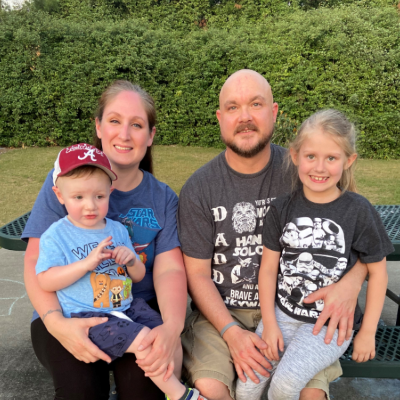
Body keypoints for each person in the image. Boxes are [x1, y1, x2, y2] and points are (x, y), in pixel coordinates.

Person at [177, 70, 369, 400]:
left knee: (308, 396)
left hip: (300, 310)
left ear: (274, 112)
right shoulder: (199, 188)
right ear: (220, 118)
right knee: (212, 390)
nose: (245, 117)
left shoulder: (305, 171)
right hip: (223, 313)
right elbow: (196, 274)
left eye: (256, 104)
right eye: (233, 107)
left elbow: (363, 236)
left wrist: (351, 284)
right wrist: (231, 332)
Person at [22, 81, 187, 400]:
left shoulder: (163, 198)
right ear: (98, 127)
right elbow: (34, 260)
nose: (124, 134)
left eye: (136, 125)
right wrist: (57, 324)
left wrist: (171, 328)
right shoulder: (67, 182)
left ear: (150, 135)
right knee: (80, 390)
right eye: (114, 121)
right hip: (66, 310)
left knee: (145, 389)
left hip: (133, 310)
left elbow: (170, 270)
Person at [235, 109, 393, 400]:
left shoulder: (358, 210)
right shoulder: (281, 208)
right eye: (311, 156)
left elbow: (378, 272)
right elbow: (268, 269)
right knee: (246, 387)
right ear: (295, 156)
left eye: (331, 158)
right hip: (282, 314)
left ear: (348, 161)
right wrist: (269, 324)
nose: (320, 167)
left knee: (284, 386)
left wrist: (368, 332)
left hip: (328, 325)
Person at [35, 144, 206, 400]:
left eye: (99, 196)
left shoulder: (116, 230)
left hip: (126, 306)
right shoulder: (56, 235)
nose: (90, 206)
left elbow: (137, 276)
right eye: (78, 197)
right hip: (89, 316)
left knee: (167, 336)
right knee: (146, 340)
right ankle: (183, 396)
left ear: (110, 193)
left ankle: (173, 389)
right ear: (59, 195)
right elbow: (45, 280)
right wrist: (85, 264)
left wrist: (132, 261)